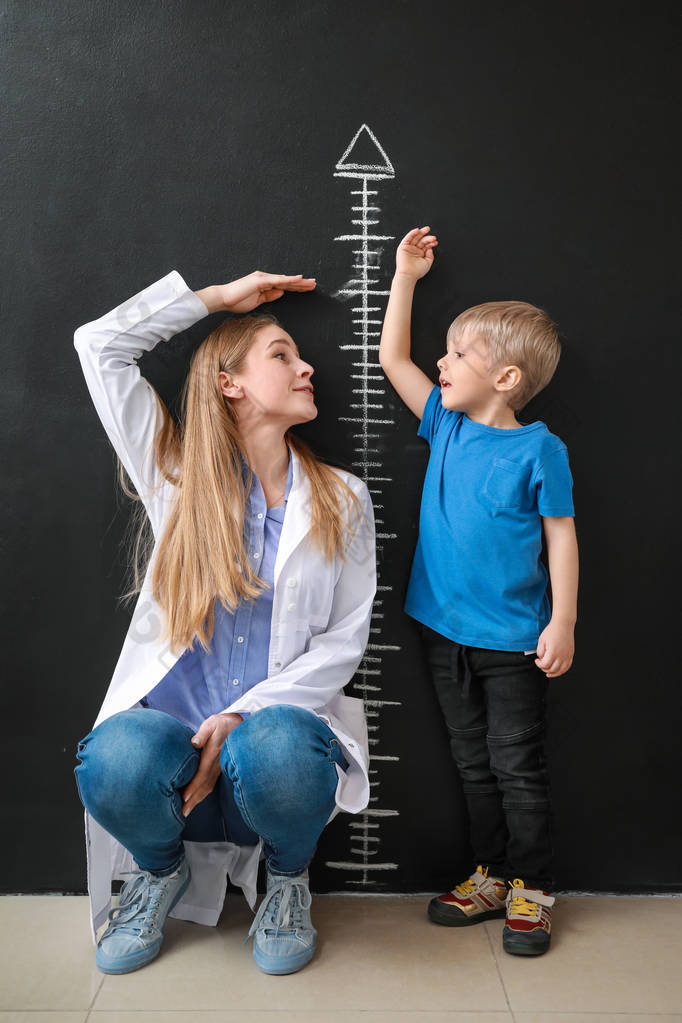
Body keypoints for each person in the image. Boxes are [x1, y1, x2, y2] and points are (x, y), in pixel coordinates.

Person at [73, 268, 376, 976]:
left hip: (271, 775)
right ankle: (157, 872)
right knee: (111, 753)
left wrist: (241, 715)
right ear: (229, 382)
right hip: (170, 783)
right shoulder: (174, 477)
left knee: (276, 740)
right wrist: (213, 300)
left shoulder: (344, 498)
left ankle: (289, 881)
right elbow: (99, 346)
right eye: (280, 354)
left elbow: (345, 638)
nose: (307, 367)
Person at [379, 227, 578, 956]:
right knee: (470, 763)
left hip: (516, 642)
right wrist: (406, 276)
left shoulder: (538, 448)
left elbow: (561, 534)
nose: (442, 360)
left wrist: (564, 620)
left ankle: (532, 885)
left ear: (506, 379)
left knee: (517, 767)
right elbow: (392, 357)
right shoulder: (446, 424)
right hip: (444, 634)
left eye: (460, 353)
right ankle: (489, 874)